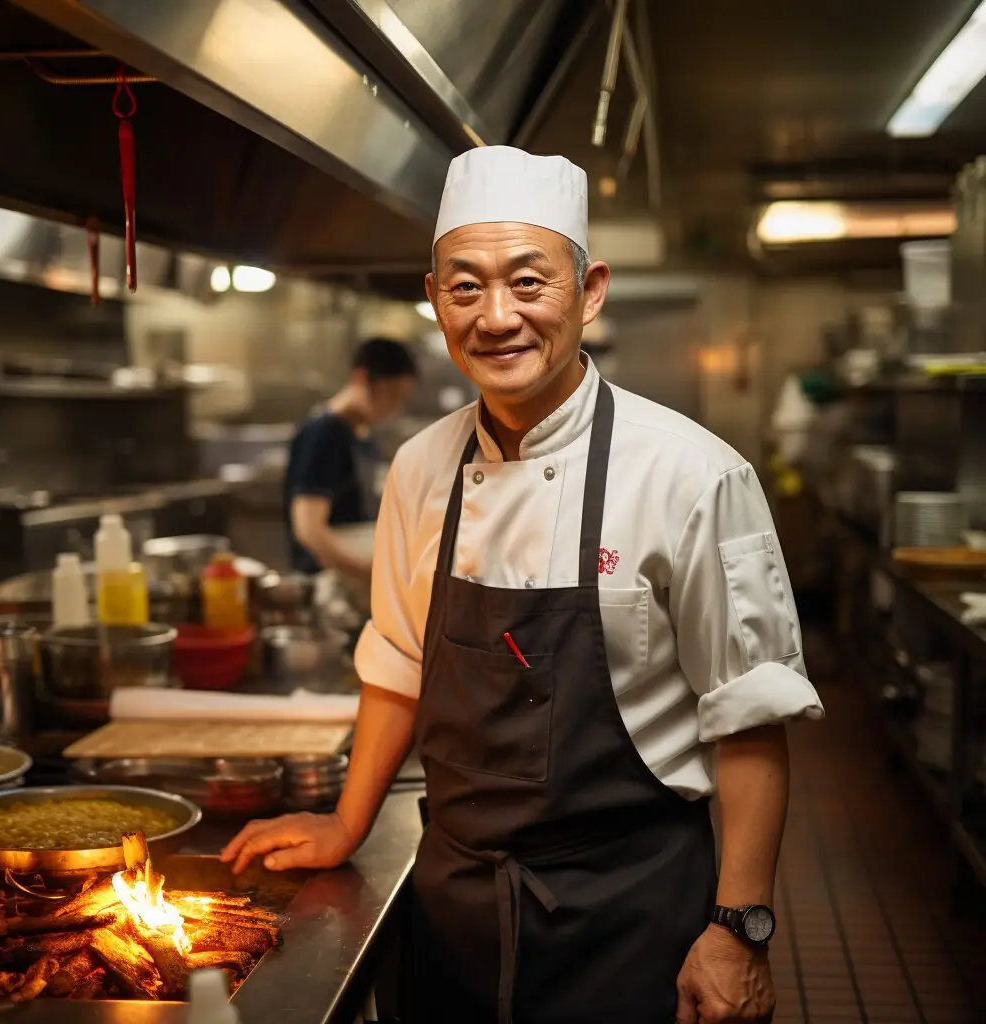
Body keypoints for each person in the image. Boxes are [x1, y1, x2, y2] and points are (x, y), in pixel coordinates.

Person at [225, 146, 825, 1024]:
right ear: (434, 301)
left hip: (631, 912)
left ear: (589, 292)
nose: (497, 317)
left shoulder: (693, 475)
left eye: (528, 282)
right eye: (465, 287)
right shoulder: (420, 467)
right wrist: (347, 825)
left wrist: (739, 927)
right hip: (453, 906)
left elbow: (749, 719)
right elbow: (397, 660)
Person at [283, 337, 417, 581]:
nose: (396, 407)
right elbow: (309, 530)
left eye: (402, 397)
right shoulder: (323, 435)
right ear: (361, 379)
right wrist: (367, 574)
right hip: (325, 580)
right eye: (392, 394)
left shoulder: (362, 435)